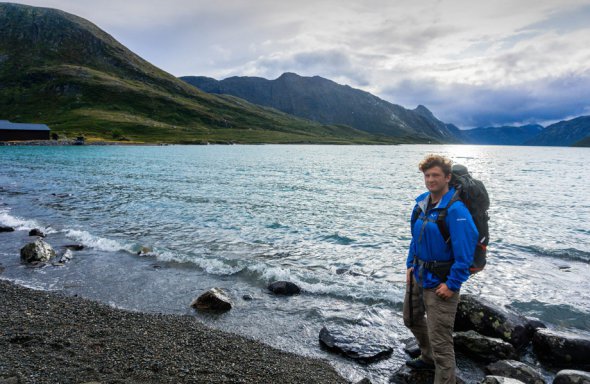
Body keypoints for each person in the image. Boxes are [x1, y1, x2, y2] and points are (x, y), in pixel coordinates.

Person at [403, 154, 478, 384]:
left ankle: (444, 378)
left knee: (441, 341)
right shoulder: (423, 203)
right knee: (411, 319)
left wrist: (453, 284)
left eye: (436, 175)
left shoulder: (456, 211)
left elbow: (465, 253)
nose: (430, 179)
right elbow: (415, 238)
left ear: (447, 177)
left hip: (441, 284)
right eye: (427, 175)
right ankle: (427, 358)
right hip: (418, 274)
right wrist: (409, 265)